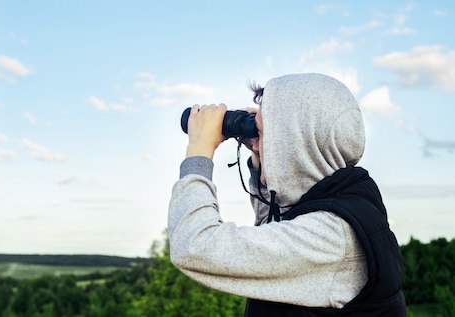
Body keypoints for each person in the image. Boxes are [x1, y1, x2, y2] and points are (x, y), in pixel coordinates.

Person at [168, 73, 406, 316]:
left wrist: (199, 150)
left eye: (264, 134)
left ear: (295, 140)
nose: (258, 142)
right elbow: (271, 228)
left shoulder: (331, 235)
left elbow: (194, 247)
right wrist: (261, 157)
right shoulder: (340, 205)